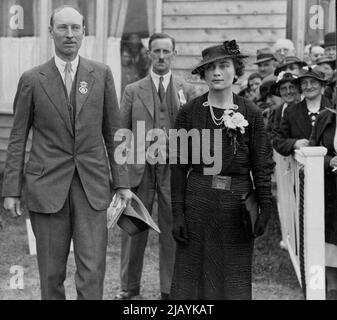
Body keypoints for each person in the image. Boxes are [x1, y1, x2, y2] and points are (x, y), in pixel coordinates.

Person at [1, 6, 132, 300]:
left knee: (92, 269)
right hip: (46, 187)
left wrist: (121, 182)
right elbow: (18, 137)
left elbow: (114, 134)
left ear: (84, 31)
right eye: (62, 28)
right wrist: (11, 189)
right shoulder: (32, 79)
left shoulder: (101, 74)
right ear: (50, 32)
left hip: (91, 187)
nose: (69, 34)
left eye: (75, 28)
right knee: (50, 272)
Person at [169, 40, 273, 300]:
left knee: (233, 274)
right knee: (192, 275)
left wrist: (264, 207)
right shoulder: (188, 113)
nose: (216, 72)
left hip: (237, 203)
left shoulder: (251, 112)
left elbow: (261, 164)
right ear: (203, 74)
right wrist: (178, 213)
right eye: (210, 67)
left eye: (223, 66)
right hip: (198, 200)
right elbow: (179, 167)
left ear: (235, 71)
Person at [117, 32, 196, 300]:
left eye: (166, 51)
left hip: (173, 171)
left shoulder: (187, 89)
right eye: (156, 51)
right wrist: (121, 179)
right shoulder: (132, 90)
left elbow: (195, 134)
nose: (161, 57)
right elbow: (121, 133)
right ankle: (129, 289)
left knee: (173, 230)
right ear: (149, 54)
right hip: (140, 170)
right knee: (133, 230)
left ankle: (169, 291)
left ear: (174, 54)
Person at [309, 74, 337, 300]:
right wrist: (330, 161)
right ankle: (330, 285)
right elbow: (313, 148)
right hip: (330, 189)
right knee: (329, 238)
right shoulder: (326, 118)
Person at [274, 67, 331, 156]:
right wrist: (294, 143)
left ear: (321, 85)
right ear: (300, 87)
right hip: (302, 167)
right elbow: (278, 141)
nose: (308, 87)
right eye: (304, 83)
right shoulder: (290, 112)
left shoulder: (332, 110)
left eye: (313, 82)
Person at [269, 72, 301, 145]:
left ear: (298, 88)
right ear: (279, 92)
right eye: (283, 89)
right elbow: (274, 137)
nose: (288, 92)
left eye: (291, 87)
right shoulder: (278, 111)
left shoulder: (307, 107)